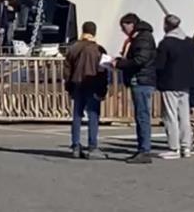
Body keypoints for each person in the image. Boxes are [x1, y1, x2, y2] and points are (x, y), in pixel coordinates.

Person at [114, 13, 157, 164]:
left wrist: (120, 63)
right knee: (141, 115)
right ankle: (142, 149)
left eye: (123, 26)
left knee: (142, 115)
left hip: (141, 80)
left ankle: (144, 150)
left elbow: (140, 60)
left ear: (130, 24)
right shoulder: (141, 37)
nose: (122, 30)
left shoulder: (142, 38)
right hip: (141, 79)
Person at [63, 21, 108, 160]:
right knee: (93, 115)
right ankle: (92, 146)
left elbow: (67, 70)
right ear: (94, 32)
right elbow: (103, 70)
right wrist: (103, 88)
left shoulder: (74, 47)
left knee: (77, 115)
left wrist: (68, 86)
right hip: (93, 83)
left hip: (77, 84)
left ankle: (75, 145)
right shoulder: (98, 49)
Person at [154, 14, 194, 159]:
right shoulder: (189, 42)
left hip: (170, 82)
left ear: (166, 25)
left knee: (170, 116)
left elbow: (159, 64)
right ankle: (186, 146)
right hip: (186, 83)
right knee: (184, 116)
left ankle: (174, 147)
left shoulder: (166, 43)